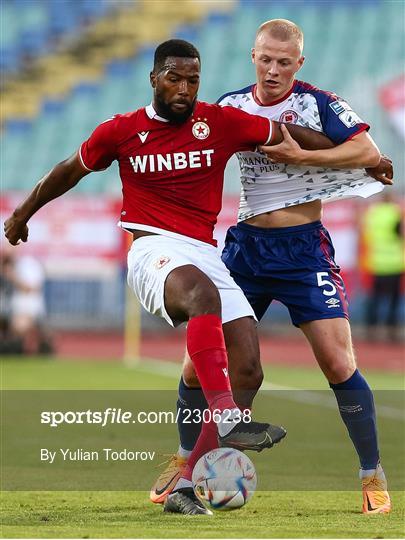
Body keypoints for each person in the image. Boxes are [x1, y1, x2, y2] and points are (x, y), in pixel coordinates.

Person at [4, 39, 345, 515]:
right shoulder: (122, 131)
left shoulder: (220, 122)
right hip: (151, 248)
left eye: (192, 80)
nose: (184, 89)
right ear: (154, 79)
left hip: (203, 253)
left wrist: (355, 153)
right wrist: (22, 215)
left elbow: (287, 133)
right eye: (174, 78)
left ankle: (185, 486)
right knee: (203, 298)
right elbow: (68, 171)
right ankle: (226, 415)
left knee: (249, 368)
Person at [150, 22, 393, 515]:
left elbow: (367, 152)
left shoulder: (317, 102)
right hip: (245, 250)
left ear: (298, 64)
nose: (274, 69)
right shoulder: (231, 106)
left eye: (285, 62)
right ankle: (183, 460)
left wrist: (303, 154)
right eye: (266, 59)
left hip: (303, 251)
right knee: (197, 366)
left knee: (338, 362)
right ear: (253, 56)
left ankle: (372, 474)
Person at [362, 191, 404, 341]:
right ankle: (391, 330)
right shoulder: (396, 212)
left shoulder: (372, 213)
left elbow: (366, 235)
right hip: (395, 262)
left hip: (376, 262)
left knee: (374, 299)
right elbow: (401, 233)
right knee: (394, 300)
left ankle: (371, 330)